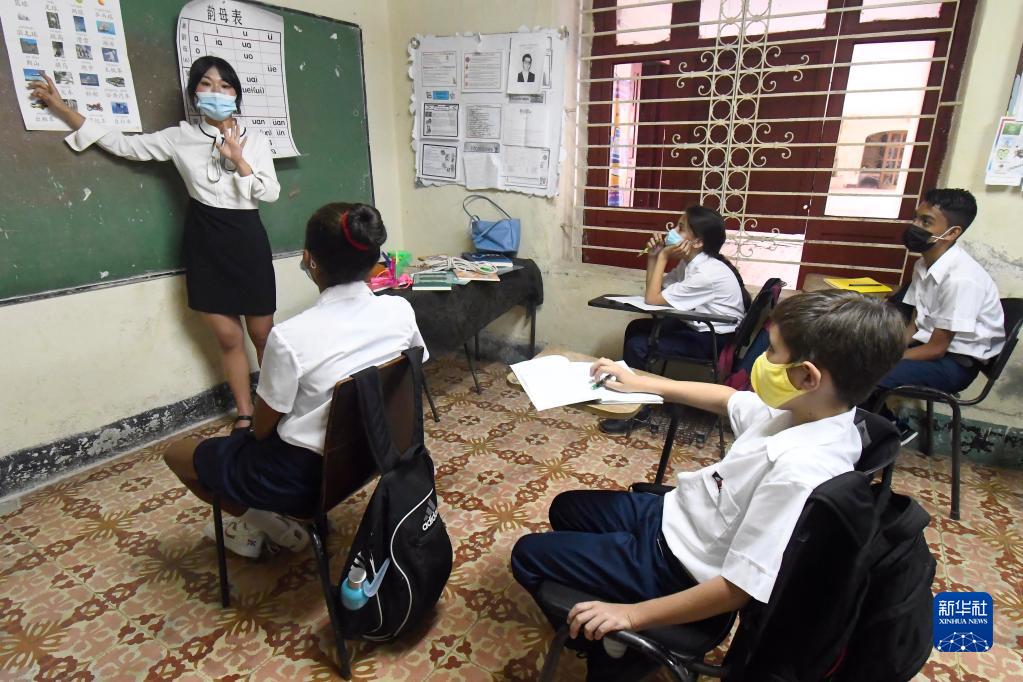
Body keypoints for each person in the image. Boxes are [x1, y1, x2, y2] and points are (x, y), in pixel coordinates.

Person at [511, 290, 906, 681]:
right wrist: (641, 382)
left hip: (675, 566)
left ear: (807, 376)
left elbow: (737, 589)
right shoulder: (813, 412)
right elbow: (728, 399)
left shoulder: (800, 471)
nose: (761, 360)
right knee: (565, 507)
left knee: (527, 555)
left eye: (772, 351)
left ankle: (614, 647)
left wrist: (629, 616)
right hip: (676, 516)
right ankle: (615, 595)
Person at [30, 56, 280, 435]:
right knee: (229, 337)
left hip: (247, 238)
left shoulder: (256, 139)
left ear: (236, 94)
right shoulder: (180, 137)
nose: (216, 92)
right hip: (205, 238)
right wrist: (64, 110)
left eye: (225, 85)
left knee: (262, 335)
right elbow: (124, 145)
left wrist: (240, 160)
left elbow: (270, 192)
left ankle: (276, 407)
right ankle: (245, 413)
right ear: (195, 93)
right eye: (207, 84)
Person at [161, 202, 428, 557]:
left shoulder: (290, 337)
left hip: (306, 482)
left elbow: (261, 429)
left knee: (177, 454)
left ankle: (274, 527)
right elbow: (414, 368)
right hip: (378, 452)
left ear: (309, 260)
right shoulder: (400, 311)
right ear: (373, 261)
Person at [870, 188, 1004, 442]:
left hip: (954, 365)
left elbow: (936, 349)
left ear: (952, 233)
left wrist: (886, 359)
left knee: (865, 373)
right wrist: (886, 348)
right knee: (856, 357)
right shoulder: (923, 265)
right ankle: (890, 427)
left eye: (926, 222)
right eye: (916, 218)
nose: (915, 226)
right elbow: (914, 326)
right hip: (931, 350)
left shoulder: (961, 279)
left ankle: (883, 436)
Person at [600, 205, 749, 434]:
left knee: (638, 345)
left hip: (712, 340)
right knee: (637, 327)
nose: (672, 231)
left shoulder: (706, 274)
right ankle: (636, 394)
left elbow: (652, 299)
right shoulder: (691, 263)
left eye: (680, 228)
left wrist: (664, 256)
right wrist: (653, 257)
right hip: (702, 328)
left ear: (697, 242)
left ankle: (637, 411)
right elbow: (656, 292)